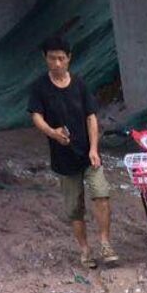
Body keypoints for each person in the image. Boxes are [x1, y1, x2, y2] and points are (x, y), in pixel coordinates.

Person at [28, 36, 117, 268]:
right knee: (74, 208)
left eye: (61, 58)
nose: (56, 63)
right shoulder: (40, 87)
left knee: (101, 195)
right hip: (63, 158)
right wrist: (52, 132)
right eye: (51, 58)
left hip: (88, 154)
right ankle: (85, 250)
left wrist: (95, 148)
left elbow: (91, 116)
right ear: (45, 59)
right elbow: (36, 116)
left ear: (69, 58)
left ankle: (105, 243)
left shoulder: (79, 84)